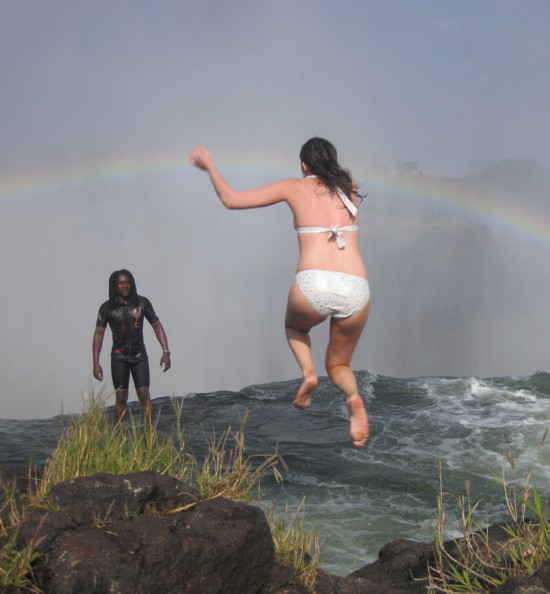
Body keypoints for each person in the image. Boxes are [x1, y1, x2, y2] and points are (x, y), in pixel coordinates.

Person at [190, 137, 371, 446]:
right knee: (340, 365)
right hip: (357, 287)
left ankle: (308, 373)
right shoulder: (350, 186)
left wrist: (210, 167)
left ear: (304, 166)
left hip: (314, 282)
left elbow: (232, 200)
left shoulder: (294, 187)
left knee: (293, 327)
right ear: (333, 161)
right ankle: (353, 398)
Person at [92, 269, 171, 423]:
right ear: (115, 286)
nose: (125, 286)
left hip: (139, 356)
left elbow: (156, 325)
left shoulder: (142, 303)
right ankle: (120, 436)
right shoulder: (107, 308)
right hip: (119, 358)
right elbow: (99, 334)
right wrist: (96, 363)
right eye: (121, 283)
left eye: (127, 282)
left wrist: (166, 351)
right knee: (121, 397)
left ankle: (150, 435)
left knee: (144, 395)